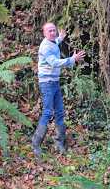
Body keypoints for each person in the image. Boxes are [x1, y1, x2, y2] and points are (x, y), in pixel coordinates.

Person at [31, 22, 85, 157]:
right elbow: (54, 62)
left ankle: (59, 142)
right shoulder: (45, 47)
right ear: (44, 33)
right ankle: (36, 144)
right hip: (47, 82)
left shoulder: (53, 41)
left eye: (54, 30)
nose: (53, 33)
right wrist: (72, 59)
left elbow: (55, 41)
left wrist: (60, 37)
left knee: (60, 112)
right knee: (48, 112)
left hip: (54, 82)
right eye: (49, 31)